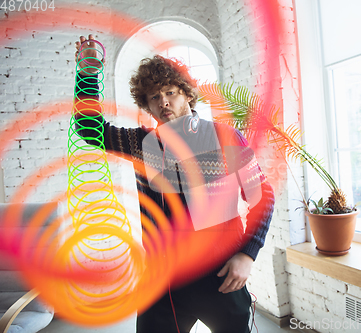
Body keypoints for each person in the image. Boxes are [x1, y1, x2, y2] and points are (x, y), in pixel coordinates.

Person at [73, 35, 274, 333]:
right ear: (148, 106)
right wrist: (88, 72)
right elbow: (88, 128)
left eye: (170, 92)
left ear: (188, 95)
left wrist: (248, 254)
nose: (163, 101)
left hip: (219, 273)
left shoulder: (226, 138)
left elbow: (263, 198)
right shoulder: (140, 143)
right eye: (154, 97)